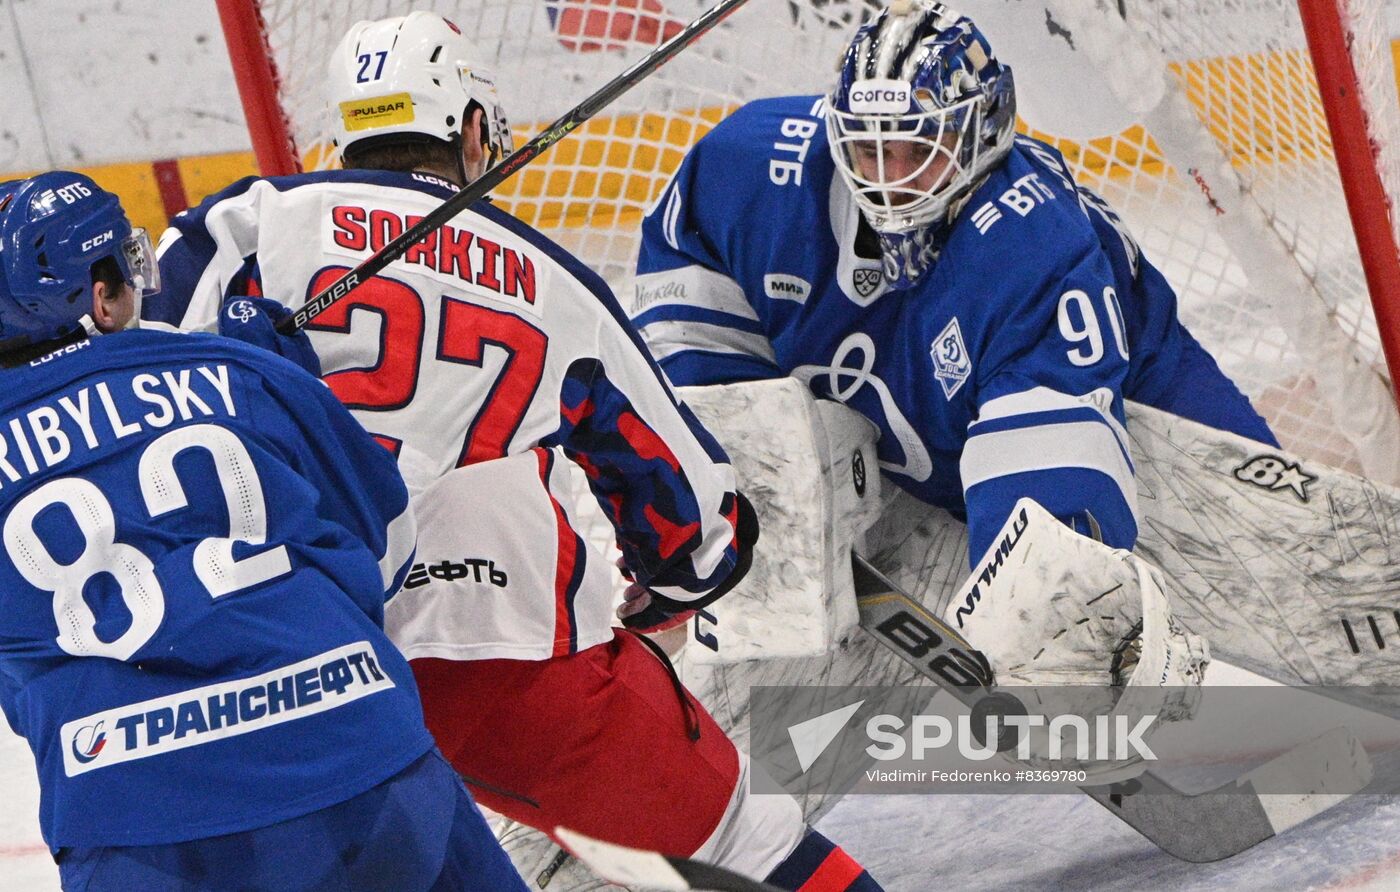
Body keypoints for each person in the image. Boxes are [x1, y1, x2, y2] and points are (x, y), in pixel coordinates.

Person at [145, 12, 883, 891]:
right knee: (750, 849)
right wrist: (676, 585)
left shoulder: (245, 226)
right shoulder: (549, 277)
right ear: (467, 130)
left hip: (273, 650)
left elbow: (116, 382)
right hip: (499, 660)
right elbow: (695, 512)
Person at [0, 172, 526, 891]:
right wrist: (292, 385)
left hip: (134, 822)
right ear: (97, 296)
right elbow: (389, 557)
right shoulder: (240, 371)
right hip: (354, 753)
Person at [631, 1, 1279, 569]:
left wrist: (1029, 627)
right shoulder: (747, 167)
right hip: (909, 440)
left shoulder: (1032, 244)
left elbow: (1047, 540)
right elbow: (688, 302)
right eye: (870, 149)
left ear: (983, 131)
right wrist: (719, 488)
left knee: (1272, 534)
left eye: (918, 149)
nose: (891, 179)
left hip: (1138, 378)